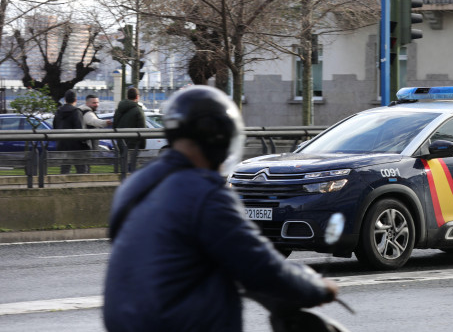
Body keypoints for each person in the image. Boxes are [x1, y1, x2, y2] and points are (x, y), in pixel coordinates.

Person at [103, 85, 337, 331]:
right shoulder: (205, 193)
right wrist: (315, 287)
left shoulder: (136, 184)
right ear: (219, 139)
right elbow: (258, 263)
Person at [52, 89, 87, 174]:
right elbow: (80, 128)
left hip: (62, 143)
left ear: (65, 99)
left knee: (65, 168)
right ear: (75, 100)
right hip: (76, 145)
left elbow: (55, 126)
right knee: (81, 169)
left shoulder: (58, 112)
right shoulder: (76, 112)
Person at [113, 87, 145, 172]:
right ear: (137, 97)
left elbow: (114, 125)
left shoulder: (119, 109)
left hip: (121, 142)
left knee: (124, 165)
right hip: (133, 144)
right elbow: (142, 129)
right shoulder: (138, 110)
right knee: (132, 166)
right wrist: (143, 145)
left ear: (127, 96)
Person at [78, 94, 113, 158]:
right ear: (87, 103)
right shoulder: (87, 113)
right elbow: (94, 121)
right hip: (87, 145)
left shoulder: (82, 111)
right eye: (94, 103)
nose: (96, 105)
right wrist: (105, 122)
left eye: (97, 102)